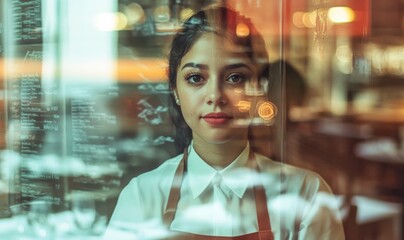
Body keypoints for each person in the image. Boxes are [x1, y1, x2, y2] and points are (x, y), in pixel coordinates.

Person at [105, 5, 344, 240]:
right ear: (175, 90)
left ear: (259, 88)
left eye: (235, 78)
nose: (215, 96)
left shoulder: (306, 194)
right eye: (196, 78)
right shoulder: (141, 196)